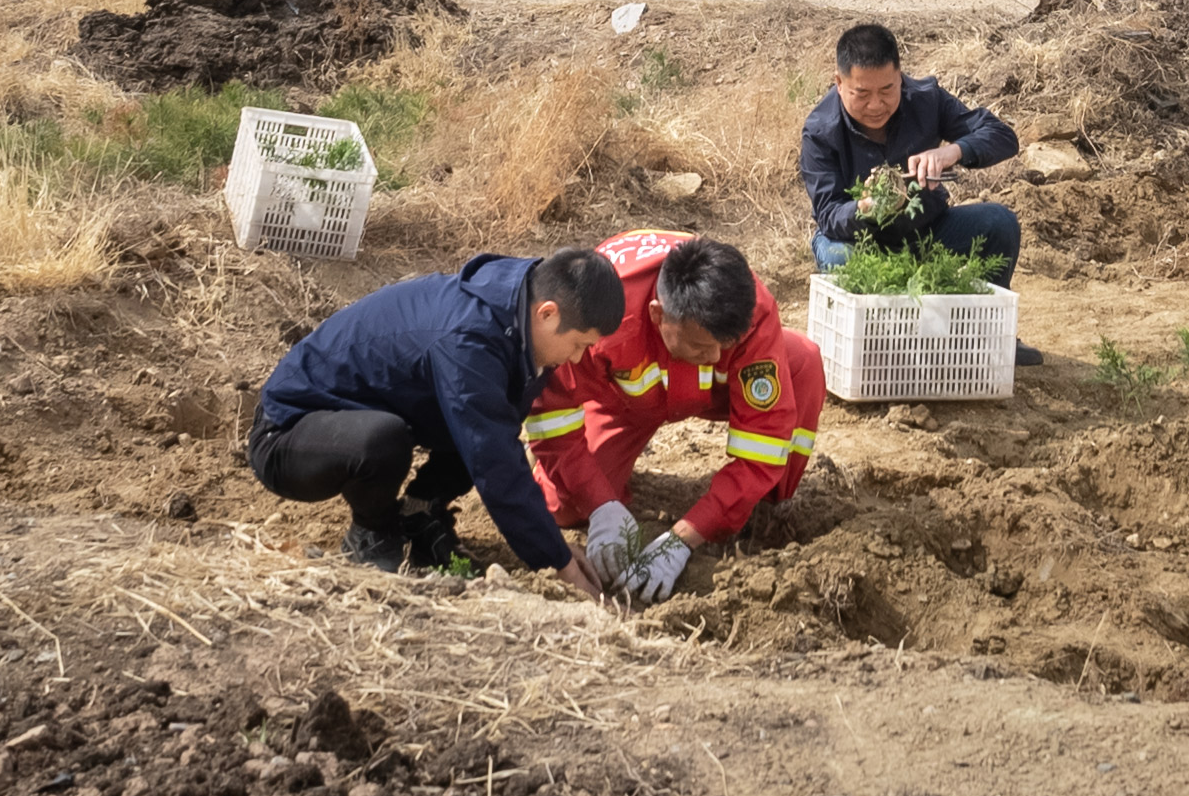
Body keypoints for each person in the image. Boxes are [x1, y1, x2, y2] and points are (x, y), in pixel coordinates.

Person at [247, 246, 622, 595]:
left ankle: (420, 512)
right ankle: (372, 533)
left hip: (361, 416)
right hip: (288, 435)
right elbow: (495, 464)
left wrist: (552, 549)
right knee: (386, 441)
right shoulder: (468, 340)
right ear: (547, 313)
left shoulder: (517, 316)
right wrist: (556, 561)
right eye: (578, 345)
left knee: (492, 414)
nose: (576, 359)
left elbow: (498, 437)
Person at [524, 231, 823, 605]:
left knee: (804, 363)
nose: (715, 357)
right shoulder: (601, 313)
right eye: (701, 345)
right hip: (624, 402)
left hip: (711, 391)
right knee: (564, 508)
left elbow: (765, 443)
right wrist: (601, 504)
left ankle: (772, 506)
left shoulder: (748, 308)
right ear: (657, 315)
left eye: (723, 346)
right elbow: (553, 420)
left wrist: (685, 536)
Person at [799, 20, 1048, 367]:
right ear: (839, 83)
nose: (876, 105)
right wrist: (867, 206)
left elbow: (1002, 136)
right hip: (860, 242)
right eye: (862, 93)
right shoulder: (820, 131)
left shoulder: (927, 99)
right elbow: (828, 216)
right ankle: (875, 347)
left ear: (900, 76)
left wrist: (953, 151)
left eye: (887, 90)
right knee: (841, 257)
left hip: (927, 231)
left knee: (999, 223)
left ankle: (990, 334)